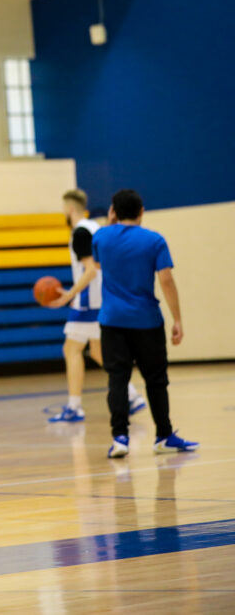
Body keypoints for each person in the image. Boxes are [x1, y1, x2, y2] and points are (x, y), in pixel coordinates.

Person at [93, 189, 198, 458]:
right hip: (147, 321)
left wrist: (110, 222)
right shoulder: (154, 240)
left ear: (113, 211)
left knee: (118, 378)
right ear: (142, 212)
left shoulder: (101, 237)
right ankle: (163, 435)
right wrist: (178, 319)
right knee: (156, 380)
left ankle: (119, 438)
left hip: (112, 321)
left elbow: (99, 265)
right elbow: (166, 281)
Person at [47, 189, 146, 422]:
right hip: (102, 297)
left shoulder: (80, 232)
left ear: (70, 209)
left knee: (71, 350)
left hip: (89, 302)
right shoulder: (95, 228)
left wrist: (70, 293)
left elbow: (91, 269)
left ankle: (74, 407)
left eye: (63, 209)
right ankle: (133, 395)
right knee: (98, 351)